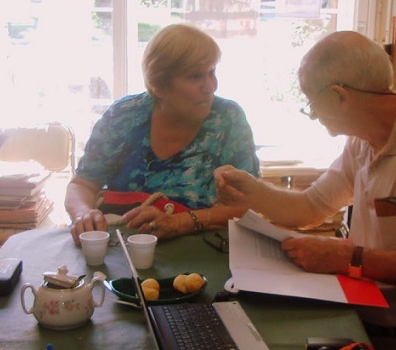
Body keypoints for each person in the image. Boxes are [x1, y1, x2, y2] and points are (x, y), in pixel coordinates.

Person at [215, 31, 396, 350]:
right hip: (374, 323)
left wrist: (348, 258)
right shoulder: (362, 141)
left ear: (340, 97)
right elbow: (311, 207)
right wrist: (251, 189)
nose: (311, 113)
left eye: (311, 103)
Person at [66, 23, 260, 243]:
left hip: (203, 253)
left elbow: (249, 205)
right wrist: (83, 213)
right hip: (124, 250)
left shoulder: (228, 119)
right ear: (159, 85)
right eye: (195, 76)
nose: (210, 86)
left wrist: (182, 221)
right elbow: (82, 184)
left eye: (211, 72)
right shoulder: (125, 116)